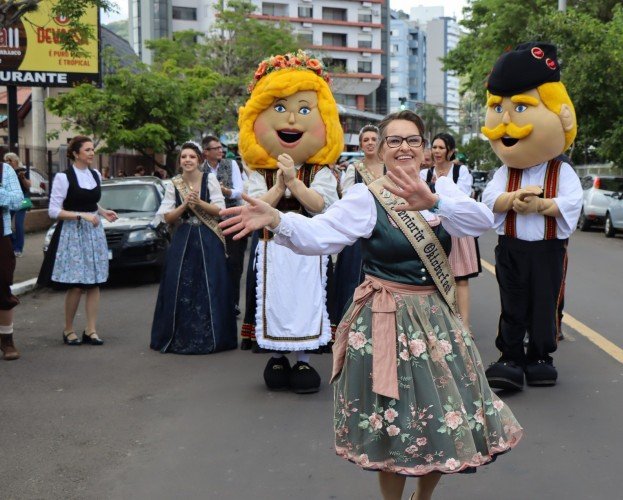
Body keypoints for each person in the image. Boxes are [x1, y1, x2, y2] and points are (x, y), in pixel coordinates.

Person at [221, 110, 522, 500]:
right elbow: (320, 234)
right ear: (380, 149)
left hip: (434, 320)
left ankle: (423, 497)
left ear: (426, 150)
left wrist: (433, 202)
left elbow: (483, 221)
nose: (404, 148)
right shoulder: (367, 196)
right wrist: (278, 219)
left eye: (412, 140)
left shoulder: (442, 189)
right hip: (385, 319)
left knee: (446, 414)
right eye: (394, 140)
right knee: (393, 422)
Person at [236, 50, 343, 393]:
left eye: (303, 110)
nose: (292, 120)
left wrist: (295, 183)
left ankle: (304, 360)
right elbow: (255, 206)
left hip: (308, 249)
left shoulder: (319, 171)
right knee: (275, 301)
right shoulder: (259, 172)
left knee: (308, 300)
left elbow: (322, 206)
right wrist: (279, 185)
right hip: (271, 249)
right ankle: (279, 356)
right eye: (280, 109)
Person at [480, 42, 582, 390]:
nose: (507, 120)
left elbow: (571, 203)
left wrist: (541, 206)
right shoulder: (504, 172)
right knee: (512, 302)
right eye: (501, 108)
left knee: (544, 301)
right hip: (511, 247)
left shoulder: (560, 170)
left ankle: (540, 355)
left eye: (522, 107)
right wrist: (511, 200)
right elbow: (489, 199)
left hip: (547, 250)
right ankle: (510, 356)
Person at [149, 142, 237, 354]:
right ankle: (178, 334)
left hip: (208, 239)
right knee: (179, 285)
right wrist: (184, 205)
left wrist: (198, 203)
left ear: (199, 160)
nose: (187, 160)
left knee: (211, 284)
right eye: (183, 157)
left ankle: (214, 335)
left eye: (191, 157)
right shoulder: (174, 183)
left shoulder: (210, 179)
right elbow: (167, 217)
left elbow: (219, 210)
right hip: (184, 237)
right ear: (180, 161)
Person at [37, 136, 119, 346]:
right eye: (88, 150)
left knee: (94, 282)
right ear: (75, 153)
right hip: (74, 233)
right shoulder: (64, 178)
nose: (92, 153)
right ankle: (68, 329)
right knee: (76, 284)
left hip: (93, 232)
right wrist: (81, 216)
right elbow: (54, 211)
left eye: (93, 149)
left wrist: (102, 211)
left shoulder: (95, 174)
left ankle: (90, 329)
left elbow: (91, 202)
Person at [420, 133, 481, 331]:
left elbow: (461, 198)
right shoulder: (425, 174)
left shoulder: (460, 171)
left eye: (441, 148)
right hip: (432, 230)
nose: (436, 151)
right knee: (434, 278)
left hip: (456, 229)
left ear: (451, 151)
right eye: (434, 147)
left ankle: (464, 325)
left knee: (460, 278)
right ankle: (437, 325)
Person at [331, 124, 382, 330]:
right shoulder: (354, 169)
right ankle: (350, 325)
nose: (370, 143)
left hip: (387, 230)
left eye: (373, 139)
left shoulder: (390, 166)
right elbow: (347, 199)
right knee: (354, 277)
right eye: (366, 140)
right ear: (361, 145)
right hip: (360, 231)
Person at [201, 135, 246, 317]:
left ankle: (233, 302)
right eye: (216, 148)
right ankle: (214, 301)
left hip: (233, 219)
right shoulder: (200, 169)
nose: (221, 150)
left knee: (234, 263)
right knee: (213, 262)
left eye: (221, 147)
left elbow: (241, 191)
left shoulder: (231, 164)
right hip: (209, 222)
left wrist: (227, 191)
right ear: (206, 152)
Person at [1, 158, 24, 360]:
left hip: (1, 237)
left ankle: (7, 340)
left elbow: (18, 200)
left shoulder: (5, 170)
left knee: (2, 287)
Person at [6, 153, 30, 258]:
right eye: (6, 160)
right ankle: (12, 244)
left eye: (9, 160)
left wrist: (23, 177)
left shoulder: (22, 170)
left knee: (18, 224)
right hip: (10, 197)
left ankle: (18, 248)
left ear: (15, 161)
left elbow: (28, 186)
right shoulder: (6, 172)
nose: (8, 163)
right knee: (6, 223)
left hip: (23, 198)